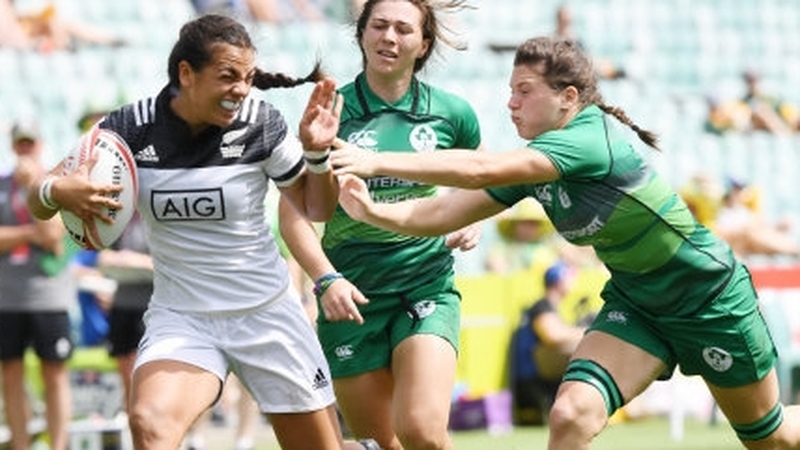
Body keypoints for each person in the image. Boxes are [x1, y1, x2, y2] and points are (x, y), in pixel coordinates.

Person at [331, 36, 800, 449]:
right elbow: (442, 212)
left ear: (567, 98)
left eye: (524, 91)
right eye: (509, 92)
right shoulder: (536, 162)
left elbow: (481, 168)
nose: (511, 104)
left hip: (708, 298)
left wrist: (373, 161)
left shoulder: (588, 138)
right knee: (570, 416)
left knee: (771, 439)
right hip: (638, 304)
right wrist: (372, 211)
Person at [26, 14, 378, 450]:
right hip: (183, 317)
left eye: (247, 78)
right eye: (228, 76)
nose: (241, 90)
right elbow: (36, 201)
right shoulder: (131, 127)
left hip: (265, 314)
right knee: (150, 426)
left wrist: (317, 154)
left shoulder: (260, 122)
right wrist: (57, 188)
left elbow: (315, 207)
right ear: (186, 74)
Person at [279, 1, 482, 449]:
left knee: (422, 433)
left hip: (424, 282)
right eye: (380, 26)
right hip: (351, 296)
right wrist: (324, 279)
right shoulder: (331, 111)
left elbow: (480, 177)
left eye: (403, 30)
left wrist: (471, 218)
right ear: (362, 34)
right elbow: (301, 211)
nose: (390, 37)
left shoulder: (453, 113)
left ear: (423, 44)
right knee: (380, 443)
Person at [0, 119, 74, 450]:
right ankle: (20, 445)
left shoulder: (55, 183)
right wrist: (32, 235)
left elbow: (53, 235)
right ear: (13, 145)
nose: (25, 149)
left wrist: (34, 187)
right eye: (20, 143)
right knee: (11, 375)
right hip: (8, 297)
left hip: (49, 296)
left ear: (41, 144)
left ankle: (57, 446)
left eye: (30, 143)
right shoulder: (1, 184)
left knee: (54, 376)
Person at [510, 261, 585, 425]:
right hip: (532, 375)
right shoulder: (542, 306)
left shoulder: (548, 306)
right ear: (558, 281)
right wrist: (588, 332)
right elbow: (553, 336)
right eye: (569, 277)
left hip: (536, 374)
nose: (573, 281)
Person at [485, 198, 558, 274]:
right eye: (524, 223)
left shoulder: (546, 246)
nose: (528, 228)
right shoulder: (504, 245)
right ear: (515, 224)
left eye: (533, 224)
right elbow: (493, 261)